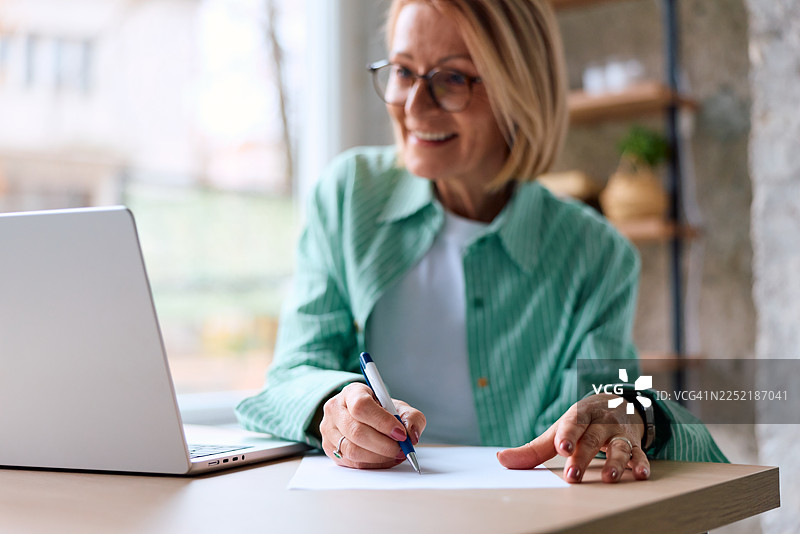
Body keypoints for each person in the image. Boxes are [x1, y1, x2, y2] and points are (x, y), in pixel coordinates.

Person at [237, 0, 726, 483]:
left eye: (452, 78)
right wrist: (334, 405)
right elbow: (289, 378)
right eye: (404, 71)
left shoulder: (596, 255)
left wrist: (636, 416)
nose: (413, 106)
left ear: (521, 92)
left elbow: (607, 414)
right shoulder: (348, 198)